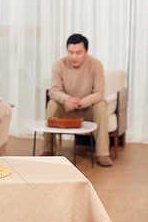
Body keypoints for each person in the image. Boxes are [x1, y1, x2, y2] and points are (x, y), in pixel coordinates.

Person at [43, 33, 112, 167]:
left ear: (86, 51)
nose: (74, 56)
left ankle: (103, 153)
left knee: (101, 106)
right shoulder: (59, 64)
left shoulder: (96, 64)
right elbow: (54, 90)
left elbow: (100, 92)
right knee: (52, 104)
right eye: (71, 52)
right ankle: (48, 149)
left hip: (87, 108)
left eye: (78, 53)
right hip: (67, 108)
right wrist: (66, 99)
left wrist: (82, 102)